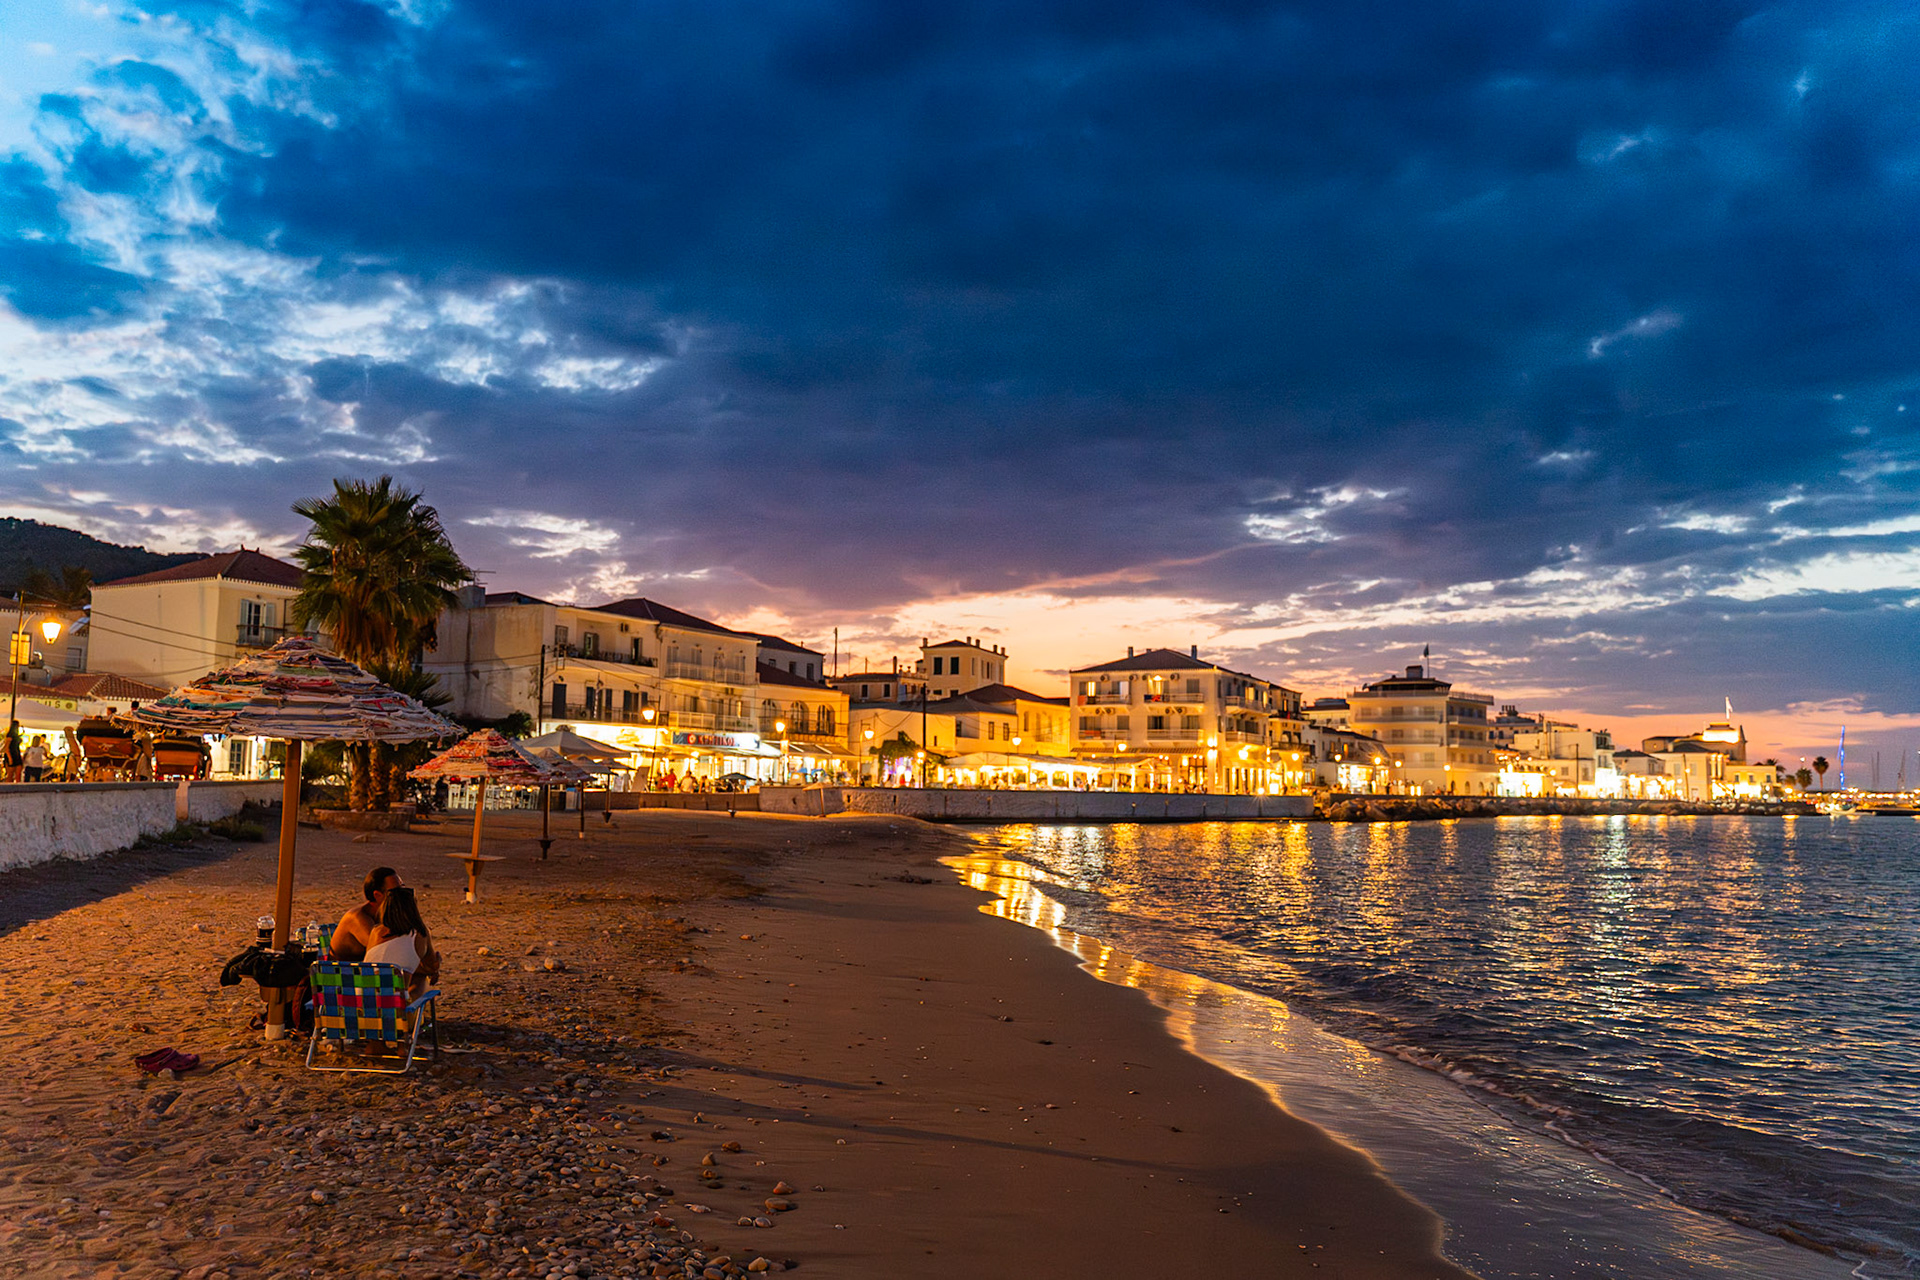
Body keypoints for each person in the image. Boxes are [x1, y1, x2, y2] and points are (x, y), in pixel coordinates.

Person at [363, 886, 441, 1000]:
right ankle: (415, 1012)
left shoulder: (376, 932)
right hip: (395, 1009)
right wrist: (436, 965)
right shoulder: (419, 934)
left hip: (363, 1005)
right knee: (421, 978)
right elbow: (430, 966)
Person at [330, 866, 400, 962]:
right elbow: (382, 951)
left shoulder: (386, 913)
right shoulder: (358, 918)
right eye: (396, 891)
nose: (403, 894)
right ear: (377, 895)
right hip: (343, 973)